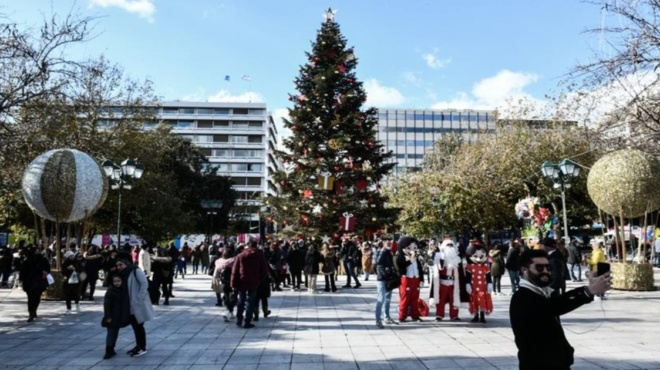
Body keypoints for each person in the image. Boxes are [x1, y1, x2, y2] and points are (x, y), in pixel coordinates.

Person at [510, 249, 611, 370]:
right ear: (524, 270)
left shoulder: (545, 293)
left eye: (548, 268)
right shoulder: (522, 297)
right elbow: (555, 306)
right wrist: (588, 291)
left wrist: (590, 286)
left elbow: (559, 302)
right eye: (539, 268)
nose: (546, 272)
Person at [116, 257, 155, 357]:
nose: (119, 267)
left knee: (139, 326)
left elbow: (144, 284)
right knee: (135, 326)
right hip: (129, 304)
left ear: (126, 264)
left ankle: (142, 347)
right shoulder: (123, 274)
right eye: (117, 265)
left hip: (137, 304)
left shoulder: (135, 271)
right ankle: (139, 345)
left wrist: (138, 299)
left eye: (120, 265)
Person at [231, 240, 270, 329]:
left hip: (242, 281)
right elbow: (265, 270)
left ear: (248, 246)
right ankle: (247, 320)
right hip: (254, 281)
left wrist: (233, 283)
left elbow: (235, 270)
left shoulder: (240, 255)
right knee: (251, 300)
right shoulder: (259, 255)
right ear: (256, 246)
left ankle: (239, 319)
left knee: (241, 300)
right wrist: (259, 279)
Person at [395, 237, 424, 323]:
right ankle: (402, 316)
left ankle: (415, 315)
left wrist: (421, 279)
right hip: (406, 279)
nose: (412, 250)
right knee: (405, 298)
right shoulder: (401, 257)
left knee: (415, 298)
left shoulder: (416, 259)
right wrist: (411, 260)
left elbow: (420, 269)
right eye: (409, 248)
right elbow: (401, 267)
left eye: (414, 248)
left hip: (416, 279)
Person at [19, 245, 50, 322]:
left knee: (31, 298)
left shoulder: (29, 260)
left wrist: (21, 279)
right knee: (36, 297)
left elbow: (22, 271)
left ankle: (32, 312)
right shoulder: (42, 260)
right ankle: (33, 311)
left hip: (31, 282)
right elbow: (47, 269)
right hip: (36, 282)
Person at [102, 274, 129, 359]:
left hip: (118, 316)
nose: (116, 283)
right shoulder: (111, 291)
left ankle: (112, 348)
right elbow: (107, 304)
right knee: (111, 333)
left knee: (115, 332)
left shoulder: (123, 290)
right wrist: (108, 316)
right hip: (112, 315)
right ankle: (108, 350)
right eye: (115, 281)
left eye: (118, 281)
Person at [375, 239, 397, 328]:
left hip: (389, 279)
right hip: (382, 279)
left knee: (388, 299)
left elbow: (391, 265)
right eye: (387, 242)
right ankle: (378, 320)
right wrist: (382, 251)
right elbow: (378, 263)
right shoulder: (380, 252)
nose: (389, 243)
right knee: (380, 300)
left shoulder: (389, 252)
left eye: (390, 242)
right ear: (383, 243)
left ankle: (387, 317)